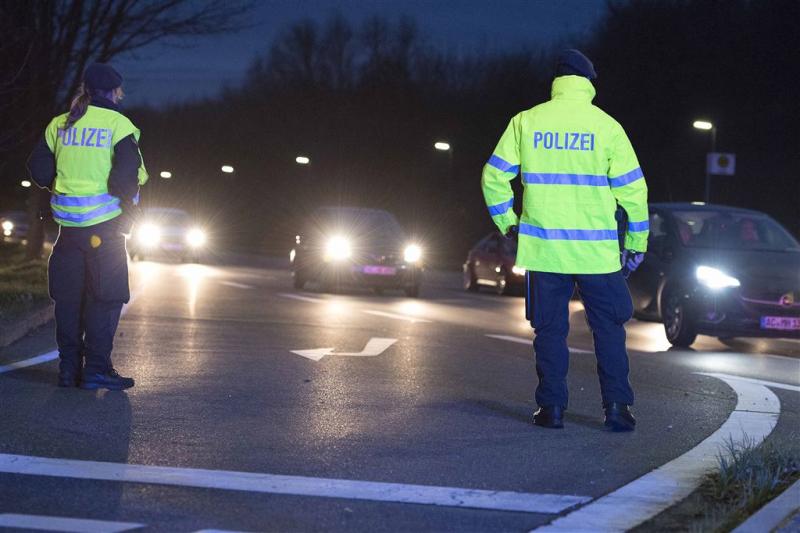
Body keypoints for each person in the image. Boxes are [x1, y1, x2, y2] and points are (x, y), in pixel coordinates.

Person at [481, 49, 649, 431]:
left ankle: (551, 410)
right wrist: (636, 243)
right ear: (589, 82)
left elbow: (493, 176)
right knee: (609, 330)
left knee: (550, 332)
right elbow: (633, 192)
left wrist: (509, 223)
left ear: (557, 82)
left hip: (545, 252)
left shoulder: (526, 121)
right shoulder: (607, 127)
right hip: (598, 255)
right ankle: (618, 409)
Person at [27, 62, 148, 390]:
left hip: (68, 231)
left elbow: (37, 167)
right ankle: (95, 370)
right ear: (114, 92)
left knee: (68, 299)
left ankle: (68, 370)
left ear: (86, 89)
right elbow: (127, 176)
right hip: (105, 229)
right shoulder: (118, 124)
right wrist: (128, 213)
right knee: (105, 298)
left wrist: (59, 183)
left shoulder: (60, 124)